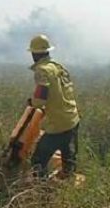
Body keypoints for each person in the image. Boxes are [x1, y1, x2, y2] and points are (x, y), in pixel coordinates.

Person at [27, 34, 80, 180]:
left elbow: (40, 97)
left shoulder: (42, 70)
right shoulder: (58, 66)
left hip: (59, 124)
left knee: (38, 160)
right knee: (68, 157)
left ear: (34, 53)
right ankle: (68, 183)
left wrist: (32, 102)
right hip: (73, 118)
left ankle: (42, 191)